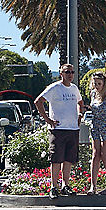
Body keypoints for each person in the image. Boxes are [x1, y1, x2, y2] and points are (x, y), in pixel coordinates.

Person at [35, 64, 85, 199]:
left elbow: (80, 103)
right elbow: (38, 101)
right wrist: (48, 120)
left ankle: (65, 186)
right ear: (61, 74)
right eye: (67, 72)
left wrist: (80, 115)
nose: (70, 74)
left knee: (69, 159)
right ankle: (53, 187)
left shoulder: (74, 89)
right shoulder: (54, 88)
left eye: (72, 72)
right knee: (56, 159)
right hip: (58, 130)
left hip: (73, 129)